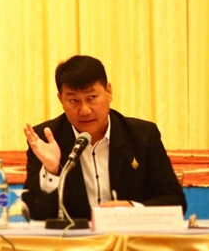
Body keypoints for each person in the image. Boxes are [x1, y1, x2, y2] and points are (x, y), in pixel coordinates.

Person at [22, 55, 186, 221]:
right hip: (74, 237)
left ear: (109, 92)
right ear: (61, 100)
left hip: (129, 234)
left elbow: (175, 201)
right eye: (73, 100)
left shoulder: (142, 136)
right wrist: (51, 171)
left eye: (92, 97)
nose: (85, 110)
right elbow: (34, 212)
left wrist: (132, 209)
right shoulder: (46, 139)